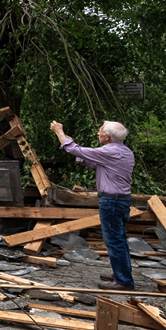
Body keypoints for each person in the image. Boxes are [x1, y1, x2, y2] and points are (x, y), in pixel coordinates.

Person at [49, 119, 136, 290]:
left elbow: (75, 150)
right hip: (122, 200)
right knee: (120, 239)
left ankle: (123, 281)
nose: (98, 134)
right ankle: (121, 273)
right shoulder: (125, 151)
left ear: (108, 137)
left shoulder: (109, 152)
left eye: (100, 132)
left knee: (114, 240)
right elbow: (91, 161)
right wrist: (76, 150)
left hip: (112, 201)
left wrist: (60, 132)